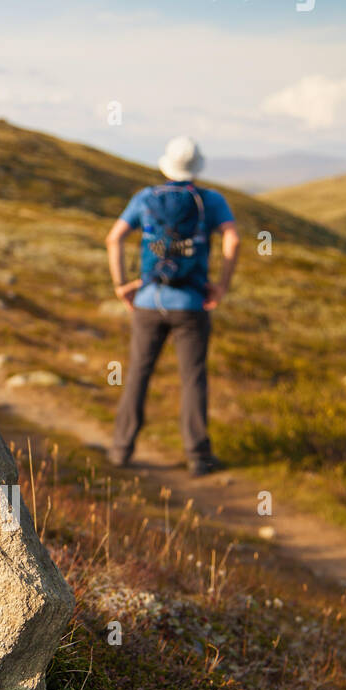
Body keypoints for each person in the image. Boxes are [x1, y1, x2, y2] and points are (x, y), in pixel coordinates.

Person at [106, 136, 240, 476]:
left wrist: (122, 285)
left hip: (149, 301)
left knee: (138, 372)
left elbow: (114, 238)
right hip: (191, 303)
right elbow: (232, 237)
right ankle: (198, 456)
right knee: (193, 378)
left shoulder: (144, 198)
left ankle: (121, 450)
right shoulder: (210, 200)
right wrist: (221, 285)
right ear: (196, 168)